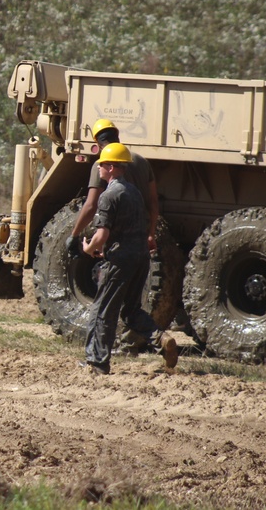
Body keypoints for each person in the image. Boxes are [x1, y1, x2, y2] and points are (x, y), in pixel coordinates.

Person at [79, 143, 178, 375]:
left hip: (119, 261)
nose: (99, 169)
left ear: (111, 167)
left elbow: (102, 234)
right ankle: (161, 339)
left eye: (101, 165)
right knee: (131, 311)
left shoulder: (108, 196)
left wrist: (88, 248)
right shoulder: (134, 192)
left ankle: (98, 362)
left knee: (102, 311)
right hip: (141, 258)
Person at [68, 118, 159, 255]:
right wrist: (151, 232)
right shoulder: (142, 161)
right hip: (141, 232)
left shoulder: (103, 164)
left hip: (119, 237)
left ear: (98, 144)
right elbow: (153, 201)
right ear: (117, 137)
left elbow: (91, 205)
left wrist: (74, 235)